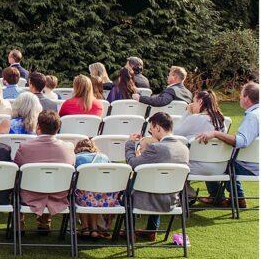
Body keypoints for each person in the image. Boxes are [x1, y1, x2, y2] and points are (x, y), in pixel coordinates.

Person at [125, 112, 189, 241]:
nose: (151, 133)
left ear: (157, 128)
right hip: (172, 199)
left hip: (146, 199)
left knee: (128, 184)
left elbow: (133, 163)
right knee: (159, 180)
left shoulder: (155, 148)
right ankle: (151, 230)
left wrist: (130, 144)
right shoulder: (184, 149)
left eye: (151, 129)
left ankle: (129, 231)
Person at [196, 82, 259, 207]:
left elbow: (241, 141)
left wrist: (215, 133)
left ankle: (219, 197)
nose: (240, 98)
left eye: (241, 95)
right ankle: (237, 197)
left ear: (246, 98)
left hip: (250, 166)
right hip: (255, 162)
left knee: (211, 161)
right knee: (228, 161)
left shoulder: (253, 116)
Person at [14, 110, 75, 233]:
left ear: (38, 126)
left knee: (18, 180)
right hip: (58, 194)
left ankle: (19, 225)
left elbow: (17, 169)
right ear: (58, 128)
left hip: (31, 194)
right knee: (48, 180)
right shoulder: (68, 148)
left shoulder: (25, 147)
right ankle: (44, 223)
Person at [72, 138, 117, 239]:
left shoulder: (76, 158)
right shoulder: (104, 157)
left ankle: (85, 228)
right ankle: (94, 229)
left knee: (80, 192)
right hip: (105, 200)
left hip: (85, 199)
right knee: (94, 192)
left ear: (78, 148)